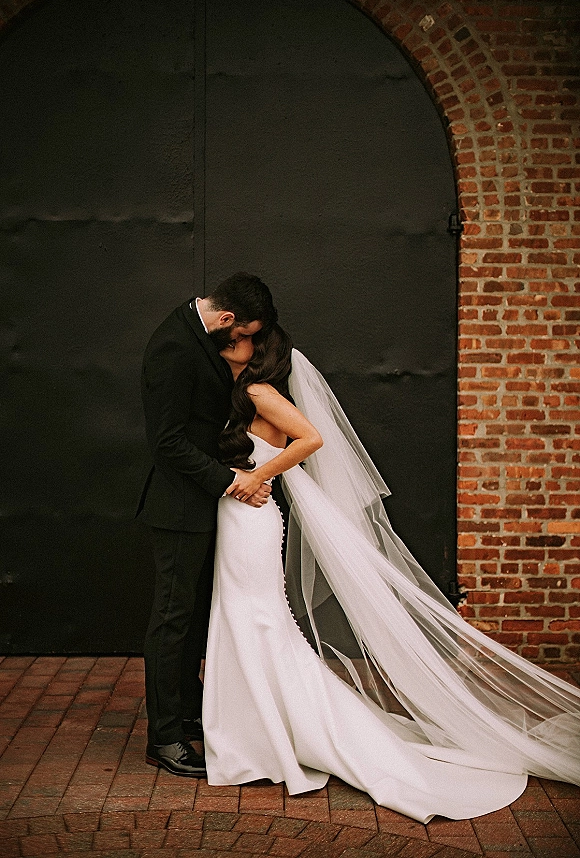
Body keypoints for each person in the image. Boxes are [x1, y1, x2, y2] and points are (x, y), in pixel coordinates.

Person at [202, 324, 580, 823]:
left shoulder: (258, 392)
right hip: (237, 519)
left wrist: (257, 475)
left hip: (253, 519)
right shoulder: (235, 394)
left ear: (260, 353)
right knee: (239, 618)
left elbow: (310, 438)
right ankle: (254, 733)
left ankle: (277, 736)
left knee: (259, 620)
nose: (231, 342)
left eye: (242, 338)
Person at [137, 273, 277, 777]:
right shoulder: (175, 347)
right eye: (244, 335)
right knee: (172, 620)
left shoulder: (201, 332)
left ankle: (190, 715)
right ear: (225, 319)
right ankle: (165, 738)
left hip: (204, 504)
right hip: (178, 508)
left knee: (195, 618)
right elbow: (168, 443)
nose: (247, 345)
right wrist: (230, 480)